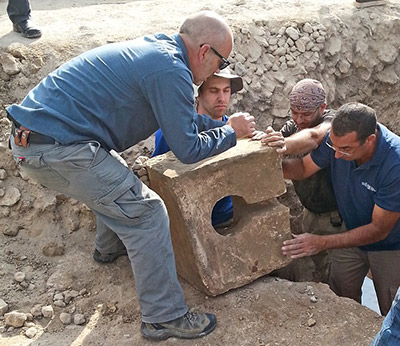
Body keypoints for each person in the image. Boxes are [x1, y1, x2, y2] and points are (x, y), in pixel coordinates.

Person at [6, 10, 255, 341]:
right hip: (53, 148)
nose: (217, 71)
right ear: (204, 51)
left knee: (115, 180)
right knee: (147, 212)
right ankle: (164, 317)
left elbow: (183, 121)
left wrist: (224, 127)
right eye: (220, 61)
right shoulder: (171, 70)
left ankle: (108, 249)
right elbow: (189, 149)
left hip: (46, 139)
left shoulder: (162, 55)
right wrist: (231, 134)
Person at [280, 102, 400, 316]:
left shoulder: (395, 164)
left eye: (345, 150)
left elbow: (378, 230)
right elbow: (304, 167)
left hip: (391, 247)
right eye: (334, 147)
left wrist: (320, 242)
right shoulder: (337, 142)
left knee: (392, 309)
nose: (336, 156)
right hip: (351, 234)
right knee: (341, 296)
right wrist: (272, 164)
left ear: (370, 140)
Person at [261, 79, 341, 283]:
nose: (299, 119)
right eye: (294, 113)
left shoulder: (333, 122)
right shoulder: (294, 125)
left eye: (305, 114)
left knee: (342, 276)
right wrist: (268, 139)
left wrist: (284, 145)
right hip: (310, 213)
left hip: (337, 219)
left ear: (321, 108)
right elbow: (282, 135)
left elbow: (314, 137)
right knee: (322, 268)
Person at [152, 68, 243, 228]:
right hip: (186, 221)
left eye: (226, 91)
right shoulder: (172, 132)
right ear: (198, 94)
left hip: (229, 217)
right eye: (214, 91)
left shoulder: (240, 130)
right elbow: (156, 178)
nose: (221, 98)